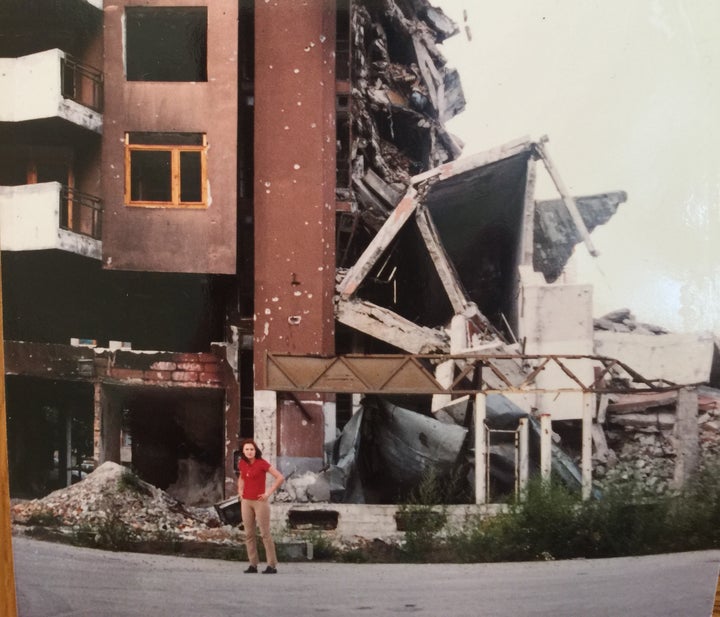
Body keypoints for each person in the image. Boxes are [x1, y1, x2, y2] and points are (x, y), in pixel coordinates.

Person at [237, 438, 285, 574]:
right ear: (243, 451)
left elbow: (280, 477)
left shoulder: (262, 463)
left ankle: (272, 565)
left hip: (260, 502)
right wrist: (240, 491)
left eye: (251, 449)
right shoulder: (242, 463)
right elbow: (241, 477)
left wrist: (268, 493)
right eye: (247, 449)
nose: (249, 452)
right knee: (249, 534)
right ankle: (253, 564)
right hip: (246, 501)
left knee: (265, 533)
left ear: (255, 450)